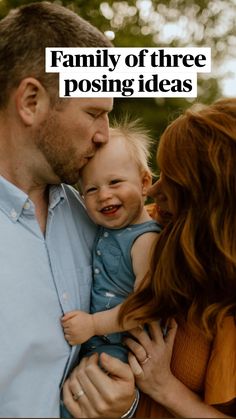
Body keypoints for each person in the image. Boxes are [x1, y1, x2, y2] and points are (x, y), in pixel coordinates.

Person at [0, 2, 136, 417]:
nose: (104, 136)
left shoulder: (96, 217)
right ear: (31, 101)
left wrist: (124, 404)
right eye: (95, 113)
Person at [118, 98, 236, 418]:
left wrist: (164, 386)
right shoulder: (153, 228)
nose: (155, 189)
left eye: (173, 180)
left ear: (209, 200)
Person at [61, 122, 162, 362]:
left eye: (115, 182)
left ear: (144, 183)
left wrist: (94, 324)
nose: (104, 195)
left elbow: (147, 304)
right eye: (92, 189)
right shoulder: (107, 227)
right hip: (100, 342)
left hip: (127, 347)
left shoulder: (146, 240)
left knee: (83, 396)